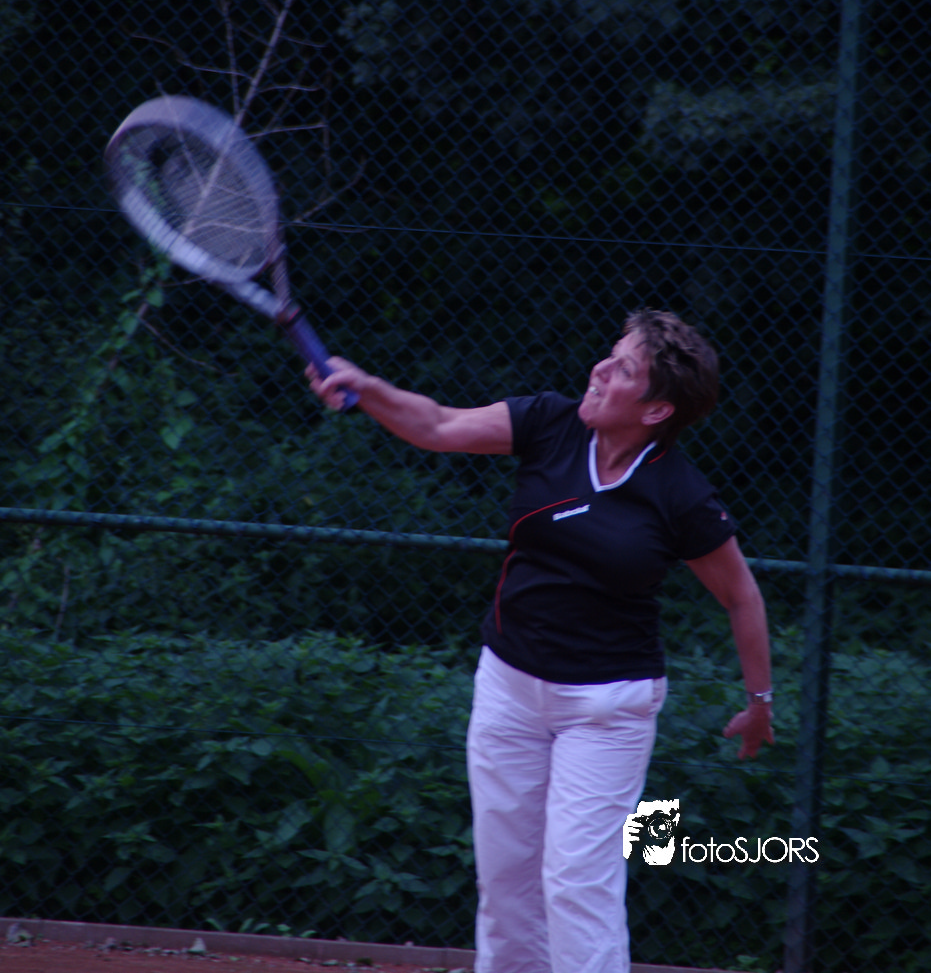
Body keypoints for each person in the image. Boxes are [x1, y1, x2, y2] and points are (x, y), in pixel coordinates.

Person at [307, 308, 773, 973]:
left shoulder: (680, 494)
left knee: (577, 882)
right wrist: (368, 387)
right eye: (609, 353)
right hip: (509, 689)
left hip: (607, 708)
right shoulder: (550, 423)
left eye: (623, 369)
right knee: (505, 884)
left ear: (655, 410)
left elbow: (741, 595)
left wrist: (759, 702)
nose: (600, 369)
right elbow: (437, 425)